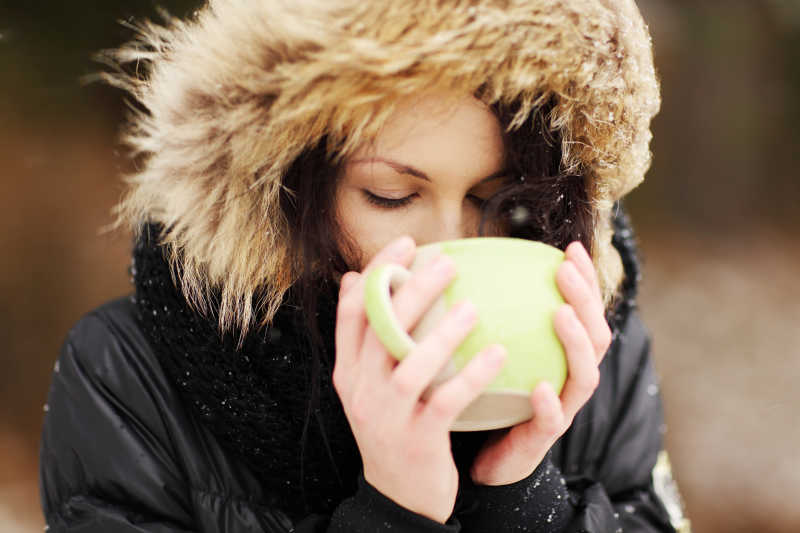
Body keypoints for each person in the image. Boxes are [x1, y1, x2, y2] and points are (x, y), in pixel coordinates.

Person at [39, 0, 690, 531]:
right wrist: (391, 512)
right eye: (391, 195)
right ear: (288, 190)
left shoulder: (595, 354)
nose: (446, 244)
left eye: (497, 200)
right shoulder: (130, 375)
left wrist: (523, 498)